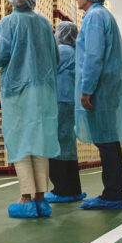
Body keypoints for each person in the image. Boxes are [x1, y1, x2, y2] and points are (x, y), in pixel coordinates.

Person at [0, 0, 60, 218]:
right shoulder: (44, 23)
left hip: (18, 90)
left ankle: (26, 197)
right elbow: (55, 57)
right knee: (40, 141)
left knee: (20, 141)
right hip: (44, 91)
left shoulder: (9, 23)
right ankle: (42, 197)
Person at [73, 0, 122, 210]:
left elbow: (93, 56)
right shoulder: (100, 16)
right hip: (106, 86)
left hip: (99, 88)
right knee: (107, 141)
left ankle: (112, 194)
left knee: (106, 141)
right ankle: (112, 192)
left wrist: (86, 89)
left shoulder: (94, 17)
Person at [45, 21, 86, 203]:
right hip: (70, 102)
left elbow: (46, 70)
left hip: (59, 101)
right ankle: (74, 188)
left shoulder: (62, 51)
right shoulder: (76, 52)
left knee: (56, 144)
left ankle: (61, 190)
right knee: (68, 145)